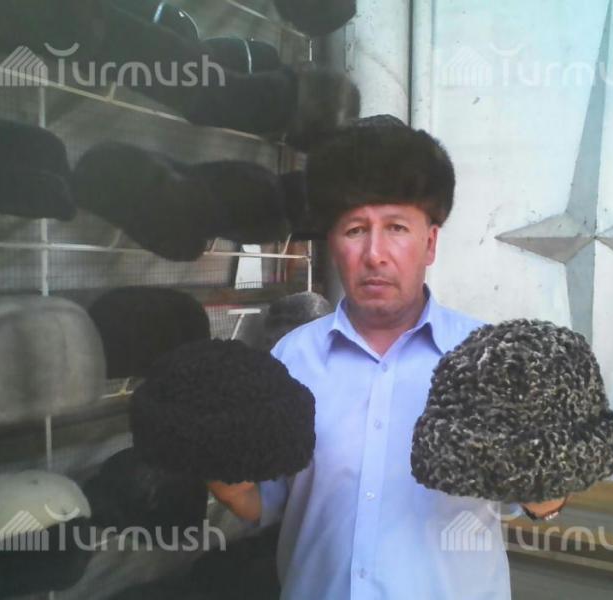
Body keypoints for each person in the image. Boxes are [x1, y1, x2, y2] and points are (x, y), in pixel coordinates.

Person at [209, 116, 566, 599]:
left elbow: (540, 499)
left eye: (396, 227)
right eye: (355, 229)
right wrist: (227, 483)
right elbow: (271, 503)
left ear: (430, 243)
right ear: (333, 243)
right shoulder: (292, 358)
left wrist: (547, 490)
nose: (375, 254)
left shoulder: (491, 360)